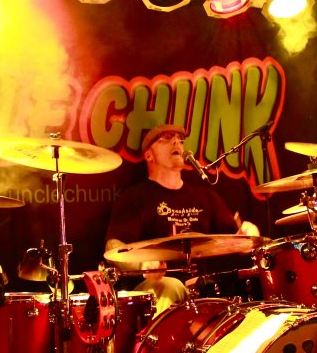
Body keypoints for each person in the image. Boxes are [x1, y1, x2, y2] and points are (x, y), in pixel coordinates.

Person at [104, 124, 260, 315]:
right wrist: (142, 265)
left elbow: (238, 239)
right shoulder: (135, 198)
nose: (176, 142)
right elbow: (113, 247)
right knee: (171, 286)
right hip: (154, 290)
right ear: (149, 155)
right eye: (166, 138)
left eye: (179, 139)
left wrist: (248, 235)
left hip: (200, 288)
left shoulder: (205, 197)